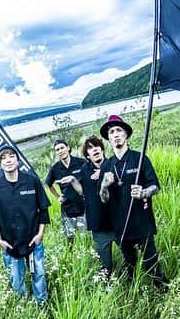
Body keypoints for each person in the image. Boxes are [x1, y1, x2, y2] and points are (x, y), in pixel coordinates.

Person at [99, 115, 169, 289]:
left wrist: (144, 192)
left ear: (126, 134)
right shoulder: (107, 166)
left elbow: (155, 186)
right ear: (108, 138)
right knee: (129, 263)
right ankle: (134, 292)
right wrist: (104, 186)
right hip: (120, 224)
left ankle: (161, 288)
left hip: (141, 220)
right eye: (111, 132)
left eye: (119, 130)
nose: (115, 134)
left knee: (151, 261)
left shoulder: (139, 158)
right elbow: (103, 199)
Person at [0, 145, 50, 305]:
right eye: (3, 158)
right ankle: (23, 307)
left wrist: (40, 234)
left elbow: (43, 210)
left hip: (33, 240)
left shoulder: (32, 181)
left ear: (18, 160)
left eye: (11, 156)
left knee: (39, 274)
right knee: (16, 278)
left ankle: (42, 304)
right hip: (10, 243)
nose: (8, 160)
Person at [59, 136, 115, 282]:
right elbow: (82, 191)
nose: (94, 149)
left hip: (118, 220)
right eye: (90, 148)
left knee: (130, 256)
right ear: (87, 155)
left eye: (96, 146)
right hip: (98, 223)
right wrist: (72, 180)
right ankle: (106, 286)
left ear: (102, 149)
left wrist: (102, 172)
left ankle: (132, 280)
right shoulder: (85, 169)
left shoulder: (113, 164)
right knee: (105, 264)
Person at [44, 138, 86, 246]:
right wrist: (58, 197)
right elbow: (48, 184)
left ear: (68, 148)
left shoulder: (81, 162)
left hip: (83, 206)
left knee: (85, 237)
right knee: (70, 239)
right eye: (57, 150)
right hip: (67, 208)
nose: (60, 151)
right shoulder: (55, 168)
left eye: (62, 148)